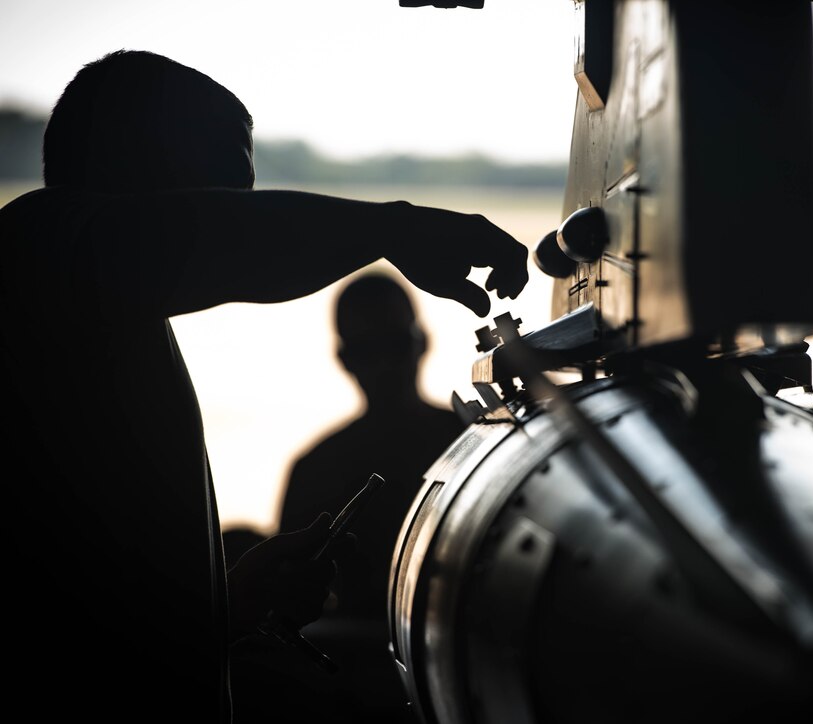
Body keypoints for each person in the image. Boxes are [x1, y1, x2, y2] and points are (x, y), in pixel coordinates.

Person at [0, 49, 528, 723]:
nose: (241, 207)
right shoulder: (34, 243)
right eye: (222, 186)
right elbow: (212, 239)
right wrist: (394, 225)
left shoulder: (105, 320)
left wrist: (232, 602)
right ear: (140, 161)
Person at [271, 273, 465, 721]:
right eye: (366, 350)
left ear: (420, 344)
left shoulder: (314, 467)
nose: (384, 365)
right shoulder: (471, 441)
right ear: (345, 359)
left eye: (393, 345)